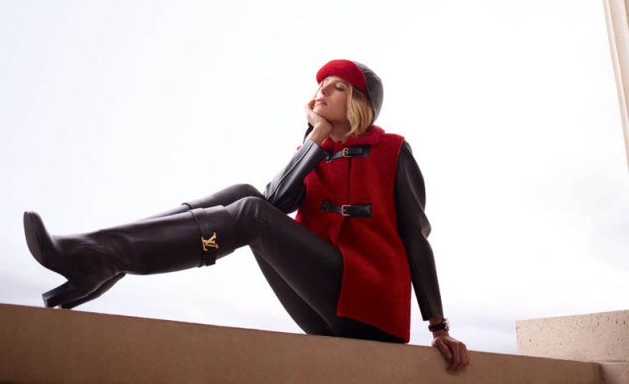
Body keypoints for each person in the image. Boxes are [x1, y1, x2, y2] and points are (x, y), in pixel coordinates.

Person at [23, 59, 469, 372]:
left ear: (359, 100)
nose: (320, 91)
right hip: (325, 306)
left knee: (250, 211)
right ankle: (107, 255)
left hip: (369, 307)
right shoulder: (315, 153)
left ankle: (108, 258)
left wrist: (439, 327)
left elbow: (416, 240)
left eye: (336, 86)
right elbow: (274, 201)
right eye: (319, 84)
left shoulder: (393, 150)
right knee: (244, 195)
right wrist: (314, 143)